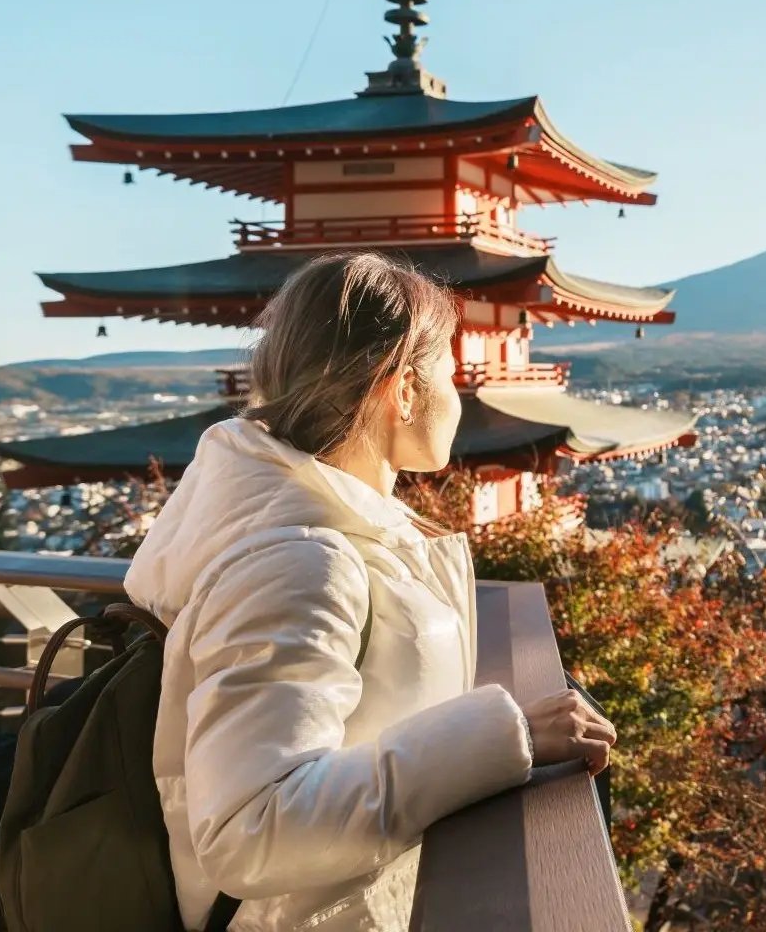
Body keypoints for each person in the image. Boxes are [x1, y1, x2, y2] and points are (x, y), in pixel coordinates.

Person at [123, 251, 616, 932]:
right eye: (449, 372)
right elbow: (251, 828)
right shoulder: (300, 561)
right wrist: (510, 736)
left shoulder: (314, 524)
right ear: (404, 390)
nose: (458, 394)